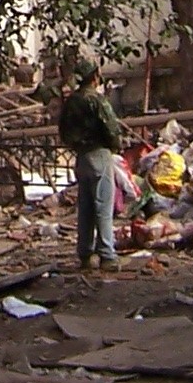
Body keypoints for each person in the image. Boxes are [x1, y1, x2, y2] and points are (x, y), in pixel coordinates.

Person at [58, 65, 123, 269]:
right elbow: (112, 128)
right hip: (99, 154)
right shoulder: (97, 100)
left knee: (85, 207)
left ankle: (85, 253)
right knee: (103, 207)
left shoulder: (71, 102)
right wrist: (116, 145)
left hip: (81, 157)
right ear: (95, 77)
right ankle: (107, 255)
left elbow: (63, 130)